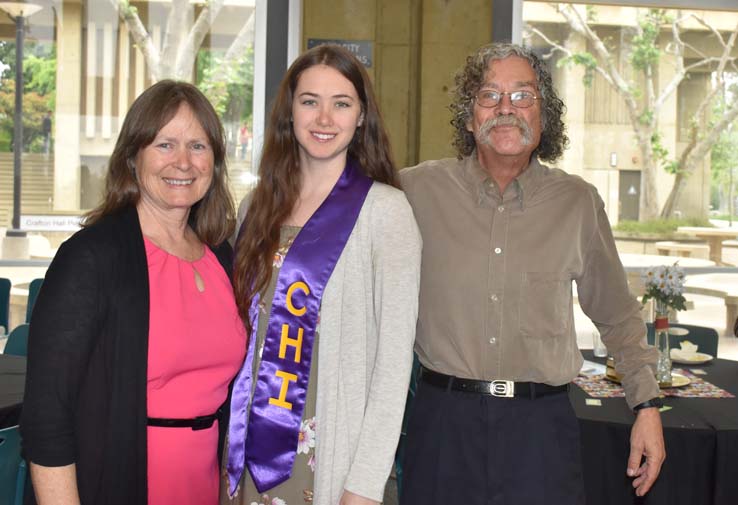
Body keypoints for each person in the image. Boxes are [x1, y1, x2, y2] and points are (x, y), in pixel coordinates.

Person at [399, 43, 665, 505]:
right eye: (489, 95)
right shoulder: (414, 191)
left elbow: (617, 315)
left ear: (544, 118)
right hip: (443, 426)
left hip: (540, 432)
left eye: (523, 96)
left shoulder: (578, 203)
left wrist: (646, 406)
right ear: (468, 117)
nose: (506, 108)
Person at [21, 80, 246, 505]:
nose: (183, 162)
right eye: (165, 144)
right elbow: (47, 417)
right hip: (118, 483)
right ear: (133, 156)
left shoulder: (222, 257)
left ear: (214, 162)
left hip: (205, 486)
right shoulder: (91, 258)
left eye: (198, 146)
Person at [223, 45, 421, 505]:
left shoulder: (384, 213)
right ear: (289, 112)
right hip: (248, 447)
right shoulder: (256, 209)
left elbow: (394, 366)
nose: (324, 117)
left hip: (327, 455)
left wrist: (365, 484)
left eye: (342, 103)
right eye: (310, 101)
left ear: (361, 117)